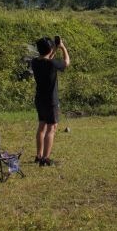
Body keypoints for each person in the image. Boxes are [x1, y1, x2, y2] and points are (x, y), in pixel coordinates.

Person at [31, 36, 70, 167]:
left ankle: (39, 155)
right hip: (51, 100)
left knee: (41, 126)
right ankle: (46, 158)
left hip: (39, 99)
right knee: (51, 128)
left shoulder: (35, 62)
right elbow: (66, 62)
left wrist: (54, 49)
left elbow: (47, 57)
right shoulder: (51, 64)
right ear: (49, 49)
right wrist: (63, 48)